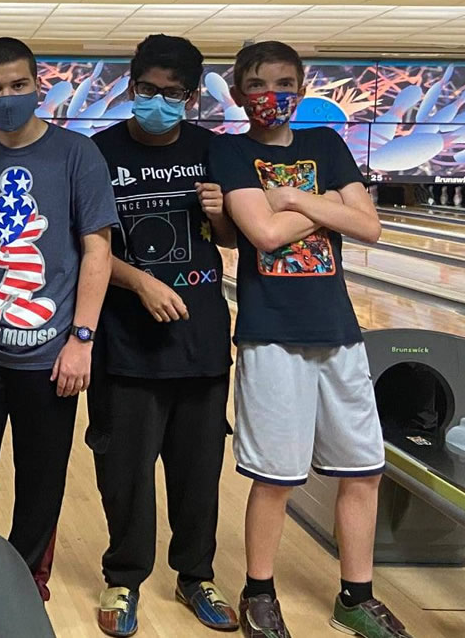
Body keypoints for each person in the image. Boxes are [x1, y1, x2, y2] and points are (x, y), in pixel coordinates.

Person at [207, 40, 412, 638]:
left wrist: (296, 196)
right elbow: (264, 235)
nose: (274, 95)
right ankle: (260, 593)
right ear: (241, 91)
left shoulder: (326, 144)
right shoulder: (230, 151)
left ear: (303, 84)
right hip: (271, 334)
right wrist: (330, 206)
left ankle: (356, 596)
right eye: (259, 85)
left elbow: (369, 226)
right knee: (276, 476)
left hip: (340, 332)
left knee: (363, 468)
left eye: (284, 83)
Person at [0, 37, 117, 613]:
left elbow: (98, 252)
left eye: (17, 85)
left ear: (38, 85)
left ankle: (24, 580)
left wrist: (81, 339)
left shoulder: (77, 155)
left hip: (49, 354)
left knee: (41, 479)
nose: (6, 97)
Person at [86, 34, 239, 637]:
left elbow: (230, 239)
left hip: (201, 343)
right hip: (123, 345)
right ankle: (124, 576)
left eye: (172, 94)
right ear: (130, 85)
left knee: (199, 471)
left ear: (192, 97)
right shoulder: (97, 152)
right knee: (124, 472)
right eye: (148, 90)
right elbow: (85, 245)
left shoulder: (214, 151)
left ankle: (196, 574)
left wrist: (222, 212)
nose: (157, 101)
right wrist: (139, 283)